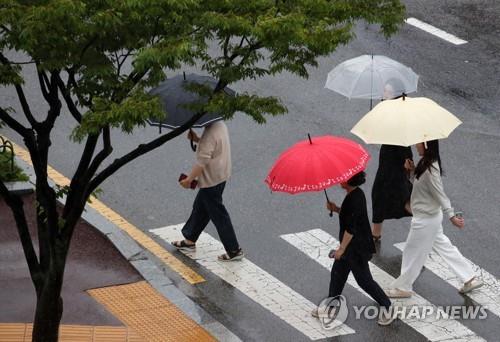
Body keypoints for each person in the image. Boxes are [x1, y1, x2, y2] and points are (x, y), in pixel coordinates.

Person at [386, 140, 483, 298]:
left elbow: (440, 193)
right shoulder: (426, 163)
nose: (416, 146)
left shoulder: (430, 168)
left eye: (418, 143)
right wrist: (411, 171)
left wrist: (451, 215)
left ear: (425, 145)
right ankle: (469, 278)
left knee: (411, 251)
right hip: (430, 216)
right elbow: (422, 186)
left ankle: (404, 287)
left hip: (425, 219)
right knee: (444, 246)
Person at [312, 172, 395, 326]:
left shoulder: (354, 199)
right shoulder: (355, 194)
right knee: (337, 275)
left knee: (364, 281)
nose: (340, 178)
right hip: (353, 247)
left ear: (349, 181)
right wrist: (336, 209)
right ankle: (330, 307)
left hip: (357, 249)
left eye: (343, 177)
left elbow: (351, 229)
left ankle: (388, 307)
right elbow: (349, 216)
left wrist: (341, 249)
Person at [172, 121, 244, 261]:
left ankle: (234, 249)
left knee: (218, 215)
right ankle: (190, 238)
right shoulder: (220, 124)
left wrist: (188, 180)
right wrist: (197, 139)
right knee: (200, 207)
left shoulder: (208, 136)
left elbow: (201, 162)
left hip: (211, 180)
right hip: (221, 174)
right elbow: (213, 146)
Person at [371, 81, 413, 242]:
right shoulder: (389, 110)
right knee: (386, 196)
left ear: (395, 95)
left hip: (395, 158)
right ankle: (375, 234)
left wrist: (405, 160)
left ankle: (426, 223)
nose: (383, 94)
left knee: (398, 196)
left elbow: (401, 140)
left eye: (387, 92)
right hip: (389, 157)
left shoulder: (398, 114)